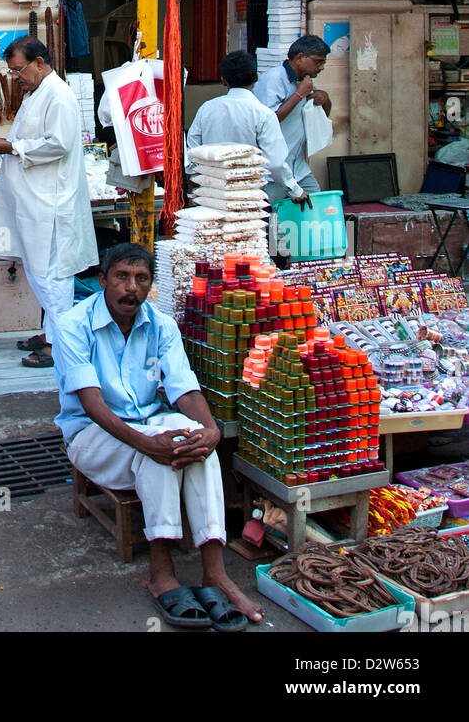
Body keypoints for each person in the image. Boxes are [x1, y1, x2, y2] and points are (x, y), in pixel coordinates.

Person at [53, 243, 264, 631]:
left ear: (151, 286)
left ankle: (214, 572)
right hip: (91, 436)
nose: (130, 287)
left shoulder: (162, 325)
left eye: (141, 279)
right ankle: (162, 571)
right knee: (159, 450)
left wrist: (211, 431)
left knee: (193, 443)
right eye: (121, 277)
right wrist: (146, 442)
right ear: (102, 281)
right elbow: (91, 403)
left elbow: (184, 388)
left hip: (149, 425)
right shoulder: (71, 325)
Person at [0, 36, 96, 368]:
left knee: (52, 276)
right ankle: (51, 333)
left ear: (40, 63)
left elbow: (57, 144)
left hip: (51, 202)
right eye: (13, 71)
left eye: (19, 70)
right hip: (34, 198)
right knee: (38, 270)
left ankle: (60, 344)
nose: (15, 77)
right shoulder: (36, 92)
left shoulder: (58, 96)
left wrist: (11, 148)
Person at [186, 51, 312, 206]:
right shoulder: (263, 114)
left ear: (223, 80)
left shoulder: (207, 108)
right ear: (256, 78)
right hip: (250, 193)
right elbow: (276, 162)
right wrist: (295, 189)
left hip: (212, 192)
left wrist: (195, 190)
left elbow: (192, 153)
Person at [253, 35, 332, 200]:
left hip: (299, 169)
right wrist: (298, 94)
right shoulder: (273, 79)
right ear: (300, 58)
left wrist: (324, 98)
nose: (322, 67)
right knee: (274, 221)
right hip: (272, 172)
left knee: (316, 209)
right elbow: (268, 121)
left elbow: (323, 116)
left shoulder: (304, 81)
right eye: (318, 62)